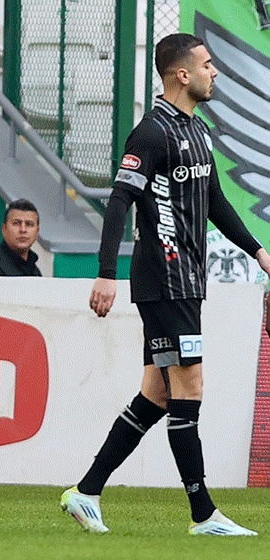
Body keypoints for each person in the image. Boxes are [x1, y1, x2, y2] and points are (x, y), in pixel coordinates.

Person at [60, 33, 270, 536]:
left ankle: (86, 491)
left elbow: (215, 202)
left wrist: (260, 252)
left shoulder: (197, 131)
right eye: (207, 64)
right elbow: (119, 201)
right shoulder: (151, 134)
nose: (214, 72)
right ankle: (204, 515)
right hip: (164, 279)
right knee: (189, 386)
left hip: (187, 281)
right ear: (182, 74)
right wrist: (106, 273)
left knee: (155, 394)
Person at [0, 198, 42, 276]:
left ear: (37, 232)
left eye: (29, 224)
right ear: (4, 229)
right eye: (16, 223)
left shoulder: (34, 269)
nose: (23, 230)